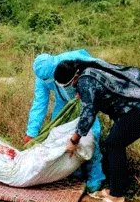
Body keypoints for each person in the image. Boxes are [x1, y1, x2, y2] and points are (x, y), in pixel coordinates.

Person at [54, 59, 140, 202]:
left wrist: (73, 140)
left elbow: (87, 114)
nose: (72, 88)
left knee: (114, 144)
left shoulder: (85, 80)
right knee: (115, 143)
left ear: (75, 77)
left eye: (70, 84)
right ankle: (117, 187)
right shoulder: (89, 69)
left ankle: (117, 197)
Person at [24, 51, 106, 192]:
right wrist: (31, 132)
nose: (49, 81)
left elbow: (98, 66)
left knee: (91, 133)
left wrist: (85, 84)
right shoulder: (42, 79)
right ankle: (74, 171)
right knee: (58, 133)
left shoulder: (70, 60)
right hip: (62, 103)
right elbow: (39, 103)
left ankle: (96, 176)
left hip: (83, 98)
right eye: (45, 79)